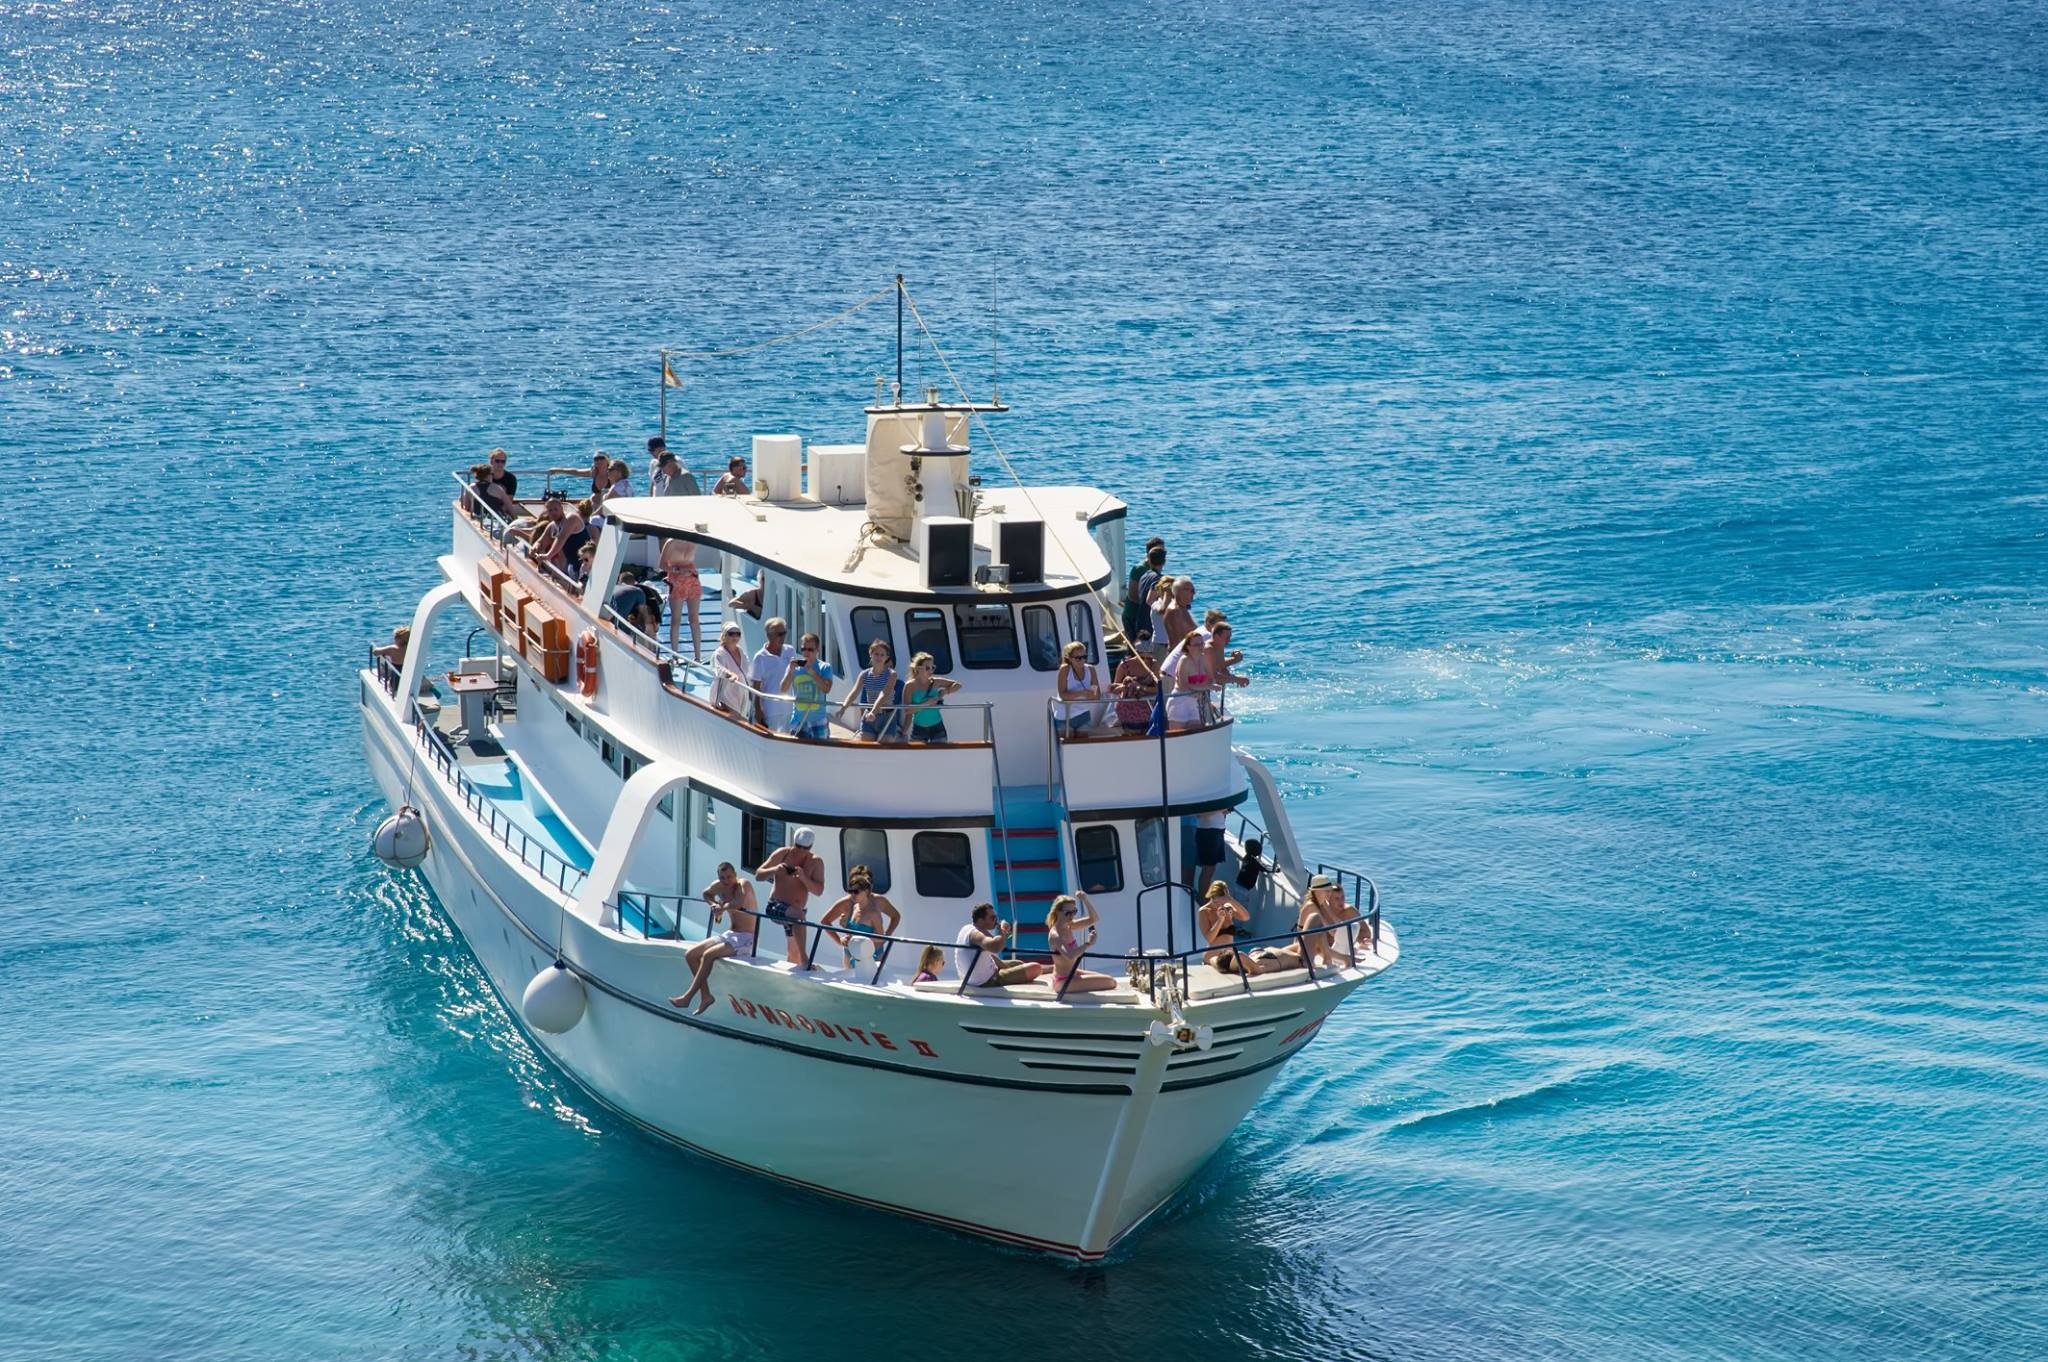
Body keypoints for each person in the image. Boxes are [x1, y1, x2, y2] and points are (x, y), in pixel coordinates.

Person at [668, 863, 761, 1015]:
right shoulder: (719, 886)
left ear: (735, 874)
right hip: (730, 933)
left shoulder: (743, 884)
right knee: (690, 955)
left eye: (729, 877)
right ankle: (706, 996)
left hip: (746, 937)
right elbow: (706, 893)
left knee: (708, 955)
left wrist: (721, 908)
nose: (726, 880)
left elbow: (738, 903)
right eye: (722, 878)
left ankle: (688, 997)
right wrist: (713, 904)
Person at [755, 828, 826, 966]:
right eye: (798, 846)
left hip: (796, 912)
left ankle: (795, 973)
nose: (800, 850)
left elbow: (818, 891)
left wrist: (804, 878)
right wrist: (774, 870)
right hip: (775, 906)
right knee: (798, 916)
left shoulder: (816, 862)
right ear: (794, 843)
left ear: (810, 847)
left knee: (794, 953)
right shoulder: (782, 853)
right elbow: (759, 875)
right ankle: (806, 960)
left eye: (804, 848)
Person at [820, 866, 900, 972]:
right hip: (851, 953)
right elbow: (825, 921)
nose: (853, 893)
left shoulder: (879, 902)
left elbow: (895, 916)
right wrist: (839, 940)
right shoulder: (848, 903)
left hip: (875, 953)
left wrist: (886, 937)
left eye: (857, 888)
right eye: (851, 888)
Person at [953, 903, 1047, 987]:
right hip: (987, 981)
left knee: (1019, 963)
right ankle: (1054, 969)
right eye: (992, 918)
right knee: (1035, 967)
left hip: (971, 979)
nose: (996, 920)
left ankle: (1053, 968)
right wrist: (1002, 931)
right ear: (981, 921)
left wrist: (1003, 966)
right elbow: (995, 947)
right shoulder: (976, 935)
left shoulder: (967, 928)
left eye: (996, 917)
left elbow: (990, 952)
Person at [1045, 893, 1117, 995]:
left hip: (1074, 973)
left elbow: (1094, 919)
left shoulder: (1069, 926)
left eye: (1074, 911)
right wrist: (1088, 943)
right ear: (1057, 912)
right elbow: (1070, 955)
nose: (1072, 916)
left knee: (1110, 979)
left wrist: (1085, 900)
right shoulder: (1055, 935)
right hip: (1064, 980)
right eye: (1067, 913)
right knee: (1111, 982)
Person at [838, 638, 904, 742]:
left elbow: (884, 694)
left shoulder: (892, 674)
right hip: (869, 717)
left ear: (886, 657)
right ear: (870, 654)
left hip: (887, 717)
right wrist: (843, 708)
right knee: (865, 745)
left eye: (882, 655)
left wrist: (873, 711)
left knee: (885, 746)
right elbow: (854, 693)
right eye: (876, 654)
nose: (879, 657)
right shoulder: (864, 674)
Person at [1199, 881, 1266, 975]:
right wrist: (1220, 920)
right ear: (1212, 897)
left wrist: (1231, 900)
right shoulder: (1204, 911)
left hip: (1229, 956)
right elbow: (1209, 939)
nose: (1220, 905)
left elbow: (1246, 917)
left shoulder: (1227, 907)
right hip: (1213, 956)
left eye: (1223, 902)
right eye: (1217, 902)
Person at [779, 632, 836, 740]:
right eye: (803, 649)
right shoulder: (794, 667)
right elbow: (783, 689)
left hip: (818, 720)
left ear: (817, 650)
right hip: (798, 720)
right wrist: (790, 672)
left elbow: (826, 689)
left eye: (810, 649)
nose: (806, 652)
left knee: (820, 754)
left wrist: (812, 671)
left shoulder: (825, 667)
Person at [902, 652, 961, 744]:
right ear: (918, 668)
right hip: (918, 728)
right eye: (927, 668)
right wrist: (927, 703)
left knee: (940, 756)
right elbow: (907, 710)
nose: (931, 671)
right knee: (918, 757)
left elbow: (958, 685)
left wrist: (945, 692)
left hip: (937, 727)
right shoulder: (910, 686)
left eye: (932, 668)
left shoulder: (936, 682)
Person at [659, 538, 703, 661]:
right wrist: (677, 570)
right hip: (676, 581)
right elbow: (661, 565)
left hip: (692, 579)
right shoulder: (670, 542)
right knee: (676, 620)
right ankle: (675, 656)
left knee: (694, 619)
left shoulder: (694, 540)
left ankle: (698, 657)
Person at [748, 618, 795, 731]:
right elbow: (756, 686)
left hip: (789, 708)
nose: (783, 637)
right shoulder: (760, 657)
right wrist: (758, 710)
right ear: (769, 635)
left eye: (784, 633)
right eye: (779, 634)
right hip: (770, 711)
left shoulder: (790, 650)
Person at [1054, 639, 1105, 737]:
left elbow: (1096, 695)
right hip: (1064, 717)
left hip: (1083, 715)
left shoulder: (1091, 669)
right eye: (1078, 658)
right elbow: (1063, 695)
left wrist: (1091, 693)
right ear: (1069, 658)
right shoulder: (1064, 670)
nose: (1082, 660)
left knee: (1082, 748)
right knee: (1066, 749)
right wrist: (1083, 693)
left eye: (1084, 657)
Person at [1111, 641, 1159, 732]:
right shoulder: (1124, 665)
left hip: (1148, 705)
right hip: (1127, 705)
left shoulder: (1154, 665)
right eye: (1142, 657)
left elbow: (1158, 689)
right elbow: (1113, 689)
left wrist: (1141, 687)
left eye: (1149, 658)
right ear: (1136, 653)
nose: (1145, 661)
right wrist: (1125, 686)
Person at [1125, 540, 1165, 643]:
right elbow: (1133, 595)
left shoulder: (1149, 572)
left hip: (1142, 617)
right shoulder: (1139, 569)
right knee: (1136, 648)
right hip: (1133, 614)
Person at [709, 622, 751, 714]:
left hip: (741, 693)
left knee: (742, 719)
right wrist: (730, 674)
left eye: (738, 634)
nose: (735, 636)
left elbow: (746, 671)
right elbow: (718, 668)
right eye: (731, 634)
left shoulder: (741, 651)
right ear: (724, 636)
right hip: (726, 694)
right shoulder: (719, 653)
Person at [609, 569, 658, 635]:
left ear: (619, 581)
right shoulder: (637, 591)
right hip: (617, 628)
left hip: (605, 621)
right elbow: (643, 617)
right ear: (634, 582)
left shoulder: (612, 588)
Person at [1191, 808, 1227, 892]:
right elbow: (1199, 813)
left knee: (1211, 869)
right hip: (1208, 831)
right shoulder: (1205, 795)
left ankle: (1205, 897)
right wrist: (1220, 808)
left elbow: (1226, 810)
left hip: (1218, 830)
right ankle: (1202, 900)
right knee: (1208, 869)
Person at [1162, 577, 1198, 651]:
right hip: (1181, 655)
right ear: (1179, 592)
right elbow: (1178, 642)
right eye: (1191, 590)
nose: (1194, 593)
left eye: (1193, 590)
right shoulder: (1175, 611)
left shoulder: (1182, 608)